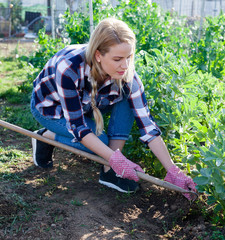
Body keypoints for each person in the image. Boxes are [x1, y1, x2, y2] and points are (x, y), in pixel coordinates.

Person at [30, 18, 196, 200]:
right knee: (98, 143)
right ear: (98, 55)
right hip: (52, 110)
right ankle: (46, 136)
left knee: (126, 99)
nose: (125, 66)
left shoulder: (127, 74)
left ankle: (110, 171)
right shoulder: (69, 68)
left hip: (89, 105)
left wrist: (173, 170)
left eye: (129, 57)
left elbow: (148, 127)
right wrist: (116, 158)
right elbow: (78, 127)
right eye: (117, 59)